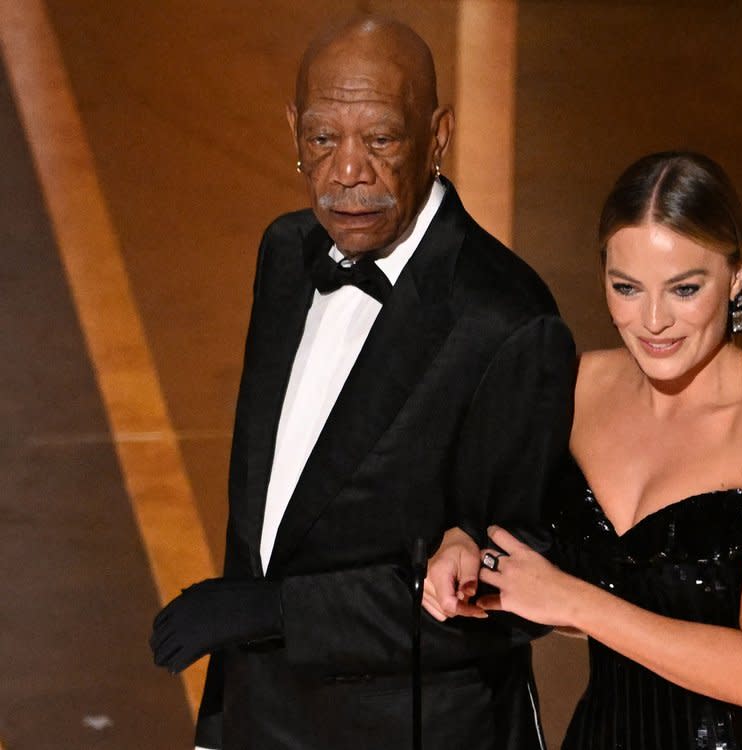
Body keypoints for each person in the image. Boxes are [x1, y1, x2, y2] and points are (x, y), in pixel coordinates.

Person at [149, 16, 575, 750]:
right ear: (292, 132)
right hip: (265, 721)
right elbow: (268, 527)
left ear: (438, 135)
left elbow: (515, 593)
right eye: (321, 138)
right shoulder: (287, 253)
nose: (347, 171)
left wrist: (277, 612)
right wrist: (222, 723)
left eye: (380, 140)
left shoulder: (505, 320)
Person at [424, 151, 742, 749]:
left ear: (736, 278)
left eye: (685, 289)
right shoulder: (579, 388)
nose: (655, 321)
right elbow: (527, 557)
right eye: (628, 288)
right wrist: (465, 555)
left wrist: (580, 604)